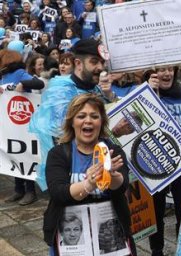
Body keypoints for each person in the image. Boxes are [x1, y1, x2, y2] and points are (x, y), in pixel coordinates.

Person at [44, 93, 134, 256]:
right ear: (72, 121)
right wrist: (89, 184)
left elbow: (121, 183)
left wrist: (111, 176)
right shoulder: (59, 154)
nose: (88, 121)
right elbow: (59, 192)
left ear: (101, 121)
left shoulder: (112, 149)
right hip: (73, 246)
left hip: (108, 243)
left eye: (94, 116)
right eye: (82, 116)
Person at [28, 38, 116, 190]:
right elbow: (64, 135)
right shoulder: (60, 91)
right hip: (69, 174)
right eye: (94, 62)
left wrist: (110, 97)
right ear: (78, 63)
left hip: (98, 171)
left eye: (102, 63)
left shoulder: (95, 89)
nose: (100, 68)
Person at [145, 65, 181, 256]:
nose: (166, 74)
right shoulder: (148, 92)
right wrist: (146, 94)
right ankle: (157, 255)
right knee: (157, 213)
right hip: (157, 164)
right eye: (161, 70)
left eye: (169, 70)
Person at [0, 49, 45, 205]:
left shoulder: (19, 73)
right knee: (14, 156)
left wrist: (23, 83)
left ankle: (30, 191)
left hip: (24, 124)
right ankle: (18, 190)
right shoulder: (2, 77)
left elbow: (38, 83)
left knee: (25, 156)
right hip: (9, 125)